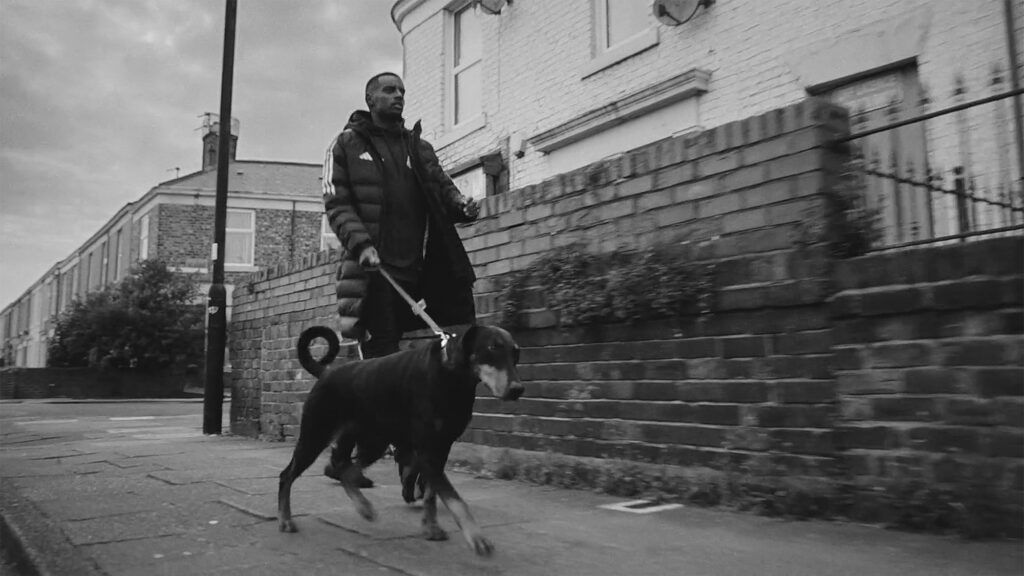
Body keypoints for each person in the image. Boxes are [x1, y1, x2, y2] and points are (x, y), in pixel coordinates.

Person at [320, 72, 480, 484]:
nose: (398, 97)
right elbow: (337, 203)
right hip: (375, 278)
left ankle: (408, 458)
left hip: (419, 277)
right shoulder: (346, 145)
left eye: (403, 91)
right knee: (380, 376)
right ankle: (347, 458)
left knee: (418, 375)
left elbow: (443, 189)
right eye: (390, 90)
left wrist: (462, 205)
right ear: (370, 96)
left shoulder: (418, 147)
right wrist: (362, 246)